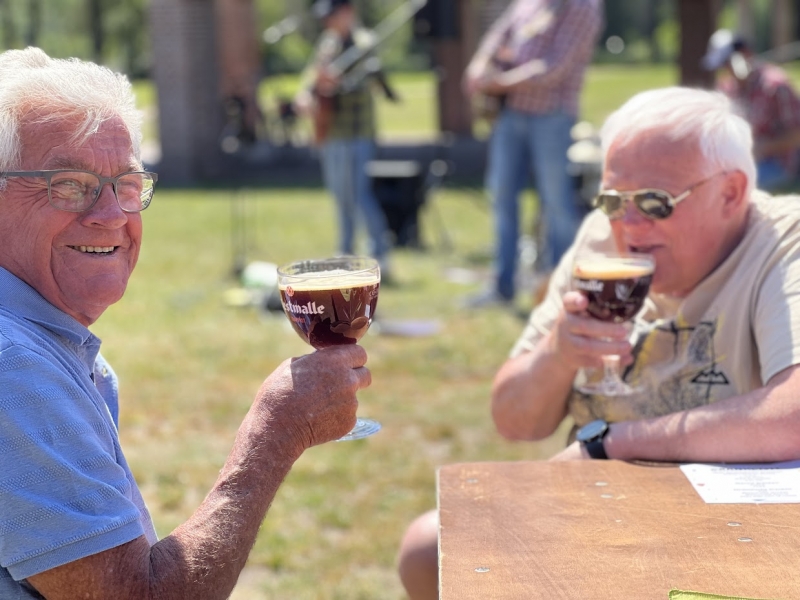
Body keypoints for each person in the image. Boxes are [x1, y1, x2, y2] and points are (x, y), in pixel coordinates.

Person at [397, 87, 800, 599]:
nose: (628, 224)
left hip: (729, 532)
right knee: (427, 551)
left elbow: (793, 416)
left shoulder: (784, 242)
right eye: (613, 200)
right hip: (599, 509)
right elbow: (514, 421)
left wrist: (612, 443)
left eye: (654, 202)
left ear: (731, 193)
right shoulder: (599, 241)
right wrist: (559, 353)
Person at [0, 47, 371, 599]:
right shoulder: (15, 367)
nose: (111, 215)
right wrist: (276, 431)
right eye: (70, 184)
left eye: (127, 184)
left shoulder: (44, 342)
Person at [462, 0, 603, 308]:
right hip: (511, 113)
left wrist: (499, 83)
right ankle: (502, 287)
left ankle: (560, 292)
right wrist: (479, 65)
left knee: (556, 203)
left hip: (551, 116)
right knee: (501, 197)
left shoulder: (582, 6)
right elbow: (499, 33)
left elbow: (555, 67)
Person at [294, 0, 398, 275]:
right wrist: (305, 94)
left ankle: (380, 253)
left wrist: (336, 84)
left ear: (348, 12)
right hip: (330, 130)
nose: (328, 22)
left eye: (333, 16)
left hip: (356, 132)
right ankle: (346, 253)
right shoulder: (328, 42)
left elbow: (365, 82)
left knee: (359, 194)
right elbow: (313, 75)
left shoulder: (364, 43)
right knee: (340, 195)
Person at [702, 28, 800, 191]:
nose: (726, 69)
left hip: (775, 164)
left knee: (727, 189)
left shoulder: (775, 86)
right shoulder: (726, 88)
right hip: (737, 161)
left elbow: (796, 135)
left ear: (745, 54)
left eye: (727, 63)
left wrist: (762, 148)